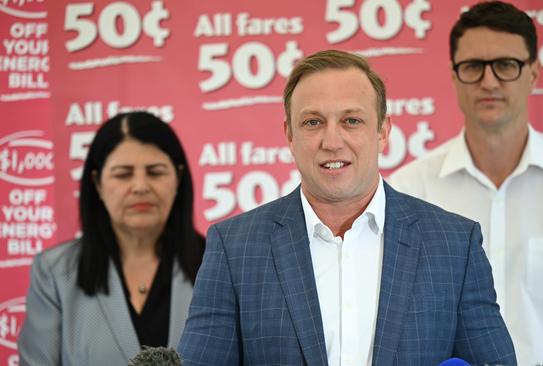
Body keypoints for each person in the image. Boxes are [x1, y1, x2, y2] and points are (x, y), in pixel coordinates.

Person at [178, 50, 516, 365]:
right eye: (313, 122)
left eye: (351, 121)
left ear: (383, 131)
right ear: (289, 135)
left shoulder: (455, 244)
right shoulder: (234, 246)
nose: (332, 141)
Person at [389, 2, 543, 365]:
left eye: (506, 65)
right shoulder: (410, 189)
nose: (489, 82)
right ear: (454, 74)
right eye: (473, 66)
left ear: (534, 73)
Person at [18, 112, 205, 366]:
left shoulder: (218, 263)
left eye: (155, 172)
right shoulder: (55, 272)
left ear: (178, 178)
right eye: (123, 174)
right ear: (97, 183)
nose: (140, 186)